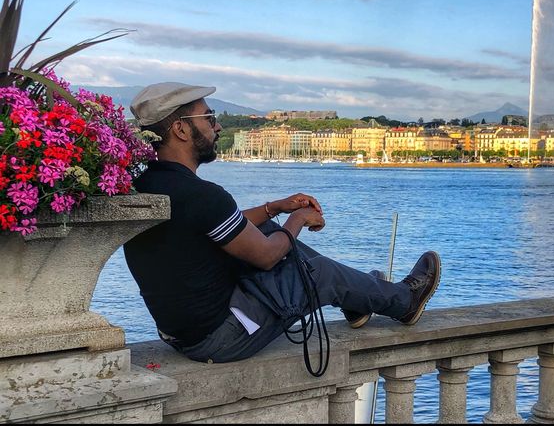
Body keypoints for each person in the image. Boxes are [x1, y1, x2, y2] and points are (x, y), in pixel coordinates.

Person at [124, 82, 441, 367]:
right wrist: (298, 217)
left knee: (266, 230)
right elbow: (265, 256)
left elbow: (217, 225)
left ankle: (358, 298)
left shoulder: (147, 183)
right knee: (320, 274)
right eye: (208, 118)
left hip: (180, 332)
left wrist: (274, 207)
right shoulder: (199, 195)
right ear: (181, 129)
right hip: (220, 337)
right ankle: (404, 302)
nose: (217, 126)